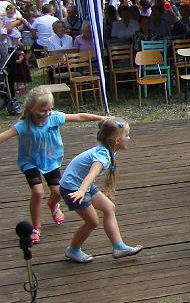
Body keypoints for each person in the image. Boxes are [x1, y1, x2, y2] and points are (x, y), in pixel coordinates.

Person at [0, 87, 104, 245]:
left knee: (57, 192)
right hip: (30, 162)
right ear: (31, 108)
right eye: (43, 110)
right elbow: (4, 136)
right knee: (37, 192)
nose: (48, 113)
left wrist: (102, 118)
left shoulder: (54, 117)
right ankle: (36, 227)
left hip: (51, 161)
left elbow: (78, 116)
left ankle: (53, 205)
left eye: (50, 109)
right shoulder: (24, 125)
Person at [59, 118, 143, 263]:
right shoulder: (102, 156)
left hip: (82, 185)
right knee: (92, 222)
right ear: (117, 140)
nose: (129, 138)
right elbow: (91, 174)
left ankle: (119, 247)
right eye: (127, 135)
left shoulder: (108, 150)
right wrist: (82, 191)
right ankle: (73, 250)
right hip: (73, 188)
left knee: (109, 208)